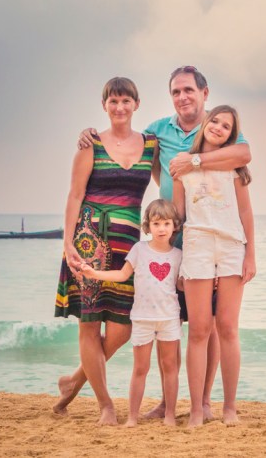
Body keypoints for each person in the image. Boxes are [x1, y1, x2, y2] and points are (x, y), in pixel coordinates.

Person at [77, 66, 250, 420]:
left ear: (204, 93)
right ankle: (168, 402)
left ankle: (202, 401)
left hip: (209, 239)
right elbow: (126, 140)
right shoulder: (158, 130)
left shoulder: (218, 126)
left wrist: (194, 160)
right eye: (176, 92)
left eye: (189, 90)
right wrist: (91, 134)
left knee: (211, 324)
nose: (182, 97)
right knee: (171, 320)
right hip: (169, 238)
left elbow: (243, 155)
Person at [53, 77, 158, 425]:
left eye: (126, 101)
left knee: (122, 328)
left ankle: (74, 380)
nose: (119, 107)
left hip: (129, 247)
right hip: (88, 242)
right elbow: (74, 194)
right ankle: (105, 406)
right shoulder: (90, 144)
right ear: (104, 105)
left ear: (136, 104)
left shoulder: (151, 145)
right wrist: (68, 243)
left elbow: (169, 183)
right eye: (113, 101)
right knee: (90, 323)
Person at [175, 105, 256, 426]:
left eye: (227, 126)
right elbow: (179, 218)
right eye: (216, 121)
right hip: (196, 248)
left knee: (227, 328)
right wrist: (173, 260)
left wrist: (251, 255)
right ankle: (197, 409)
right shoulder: (183, 171)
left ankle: (230, 408)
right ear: (205, 123)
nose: (219, 128)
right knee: (198, 330)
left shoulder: (236, 170)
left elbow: (246, 214)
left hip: (231, 247)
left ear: (231, 135)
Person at [81, 199, 182, 427]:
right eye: (156, 224)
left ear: (174, 226)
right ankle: (132, 417)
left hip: (169, 319)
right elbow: (121, 274)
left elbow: (183, 285)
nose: (162, 229)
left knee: (170, 368)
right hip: (142, 319)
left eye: (166, 223)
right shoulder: (139, 249)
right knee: (140, 369)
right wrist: (93, 273)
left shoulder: (178, 255)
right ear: (148, 226)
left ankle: (170, 415)